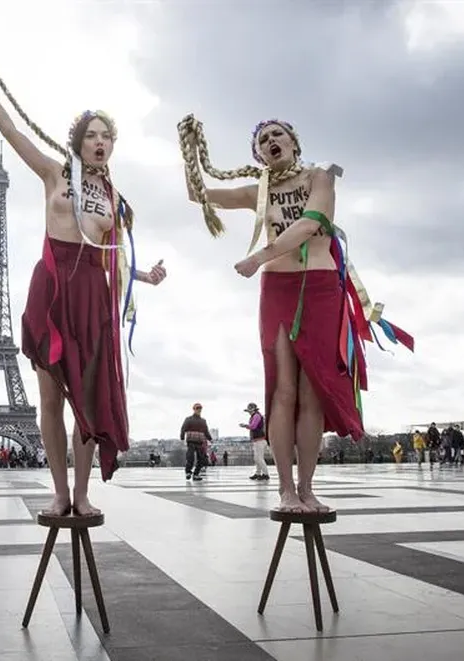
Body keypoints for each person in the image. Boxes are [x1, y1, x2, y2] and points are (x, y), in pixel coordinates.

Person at [0, 59, 168, 516]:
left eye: (106, 136)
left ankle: (81, 493)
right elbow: (14, 133)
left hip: (93, 294)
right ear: (78, 141)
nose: (100, 142)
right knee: (50, 398)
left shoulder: (116, 199)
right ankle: (59, 492)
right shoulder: (56, 173)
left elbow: (111, 254)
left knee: (88, 399)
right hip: (53, 288)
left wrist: (143, 277)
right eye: (92, 134)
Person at [178, 115, 413, 513]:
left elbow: (312, 222)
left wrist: (259, 256)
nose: (271, 141)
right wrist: (188, 154)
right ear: (258, 154)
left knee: (312, 392)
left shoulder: (320, 177)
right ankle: (285, 489)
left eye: (278, 135)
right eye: (263, 139)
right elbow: (198, 196)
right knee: (283, 389)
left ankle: (307, 487)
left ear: (293, 143)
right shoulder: (259, 190)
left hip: (320, 287)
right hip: (278, 290)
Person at [180, 403, 212, 481]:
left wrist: (210, 438)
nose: (199, 410)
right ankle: (188, 472)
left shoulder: (203, 421)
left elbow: (206, 431)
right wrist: (182, 437)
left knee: (201, 459)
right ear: (194, 409)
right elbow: (183, 428)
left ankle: (196, 474)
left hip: (199, 442)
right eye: (197, 408)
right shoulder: (189, 419)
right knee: (190, 457)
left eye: (200, 408)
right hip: (191, 441)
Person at [241, 402, 269, 480]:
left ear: (252, 410)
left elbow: (253, 426)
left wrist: (245, 426)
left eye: (249, 410)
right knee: (257, 458)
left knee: (259, 458)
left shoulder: (256, 416)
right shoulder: (255, 415)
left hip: (259, 440)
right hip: (257, 439)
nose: (248, 412)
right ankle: (258, 473)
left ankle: (266, 474)